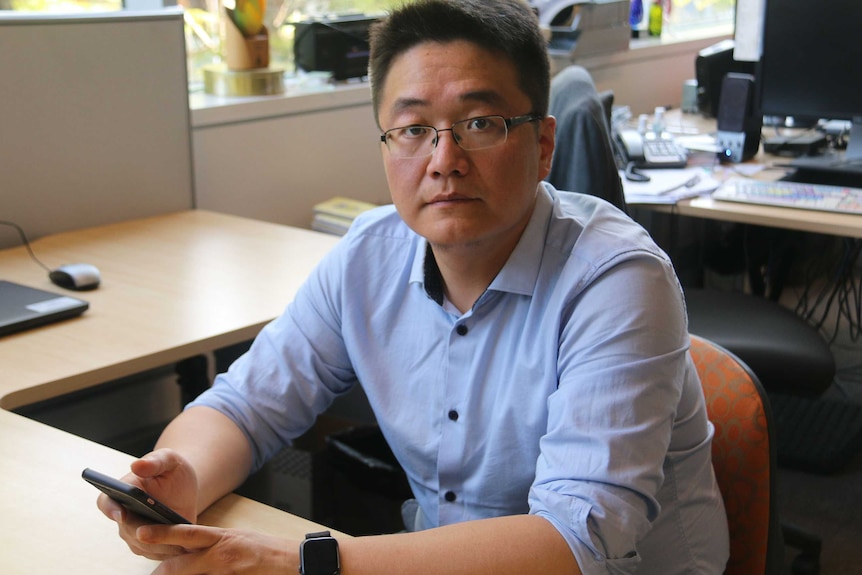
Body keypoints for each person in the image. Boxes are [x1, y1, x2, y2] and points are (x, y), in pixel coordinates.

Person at [96, 1, 729, 573]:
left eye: (480, 123)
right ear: (386, 147)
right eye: (413, 129)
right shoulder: (366, 258)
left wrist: (307, 563)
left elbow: (578, 539)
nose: (444, 158)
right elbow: (244, 406)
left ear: (542, 146)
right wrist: (184, 475)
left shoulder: (617, 279)